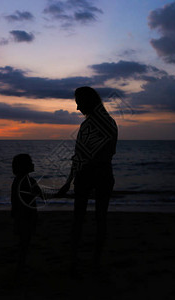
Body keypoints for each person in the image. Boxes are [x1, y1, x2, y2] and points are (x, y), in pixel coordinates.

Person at [57, 86, 118, 271]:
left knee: (79, 219)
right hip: (104, 174)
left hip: (89, 174)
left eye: (79, 104)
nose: (77, 109)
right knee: (101, 219)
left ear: (87, 103)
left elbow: (79, 157)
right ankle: (95, 261)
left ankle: (75, 259)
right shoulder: (110, 122)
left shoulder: (88, 126)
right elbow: (106, 152)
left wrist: (68, 182)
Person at [11, 153, 42, 273]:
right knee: (25, 242)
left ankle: (21, 265)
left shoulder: (17, 180)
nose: (33, 164)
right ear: (25, 166)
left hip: (19, 216)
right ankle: (21, 267)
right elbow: (41, 194)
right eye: (30, 162)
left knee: (22, 242)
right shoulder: (30, 180)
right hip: (28, 216)